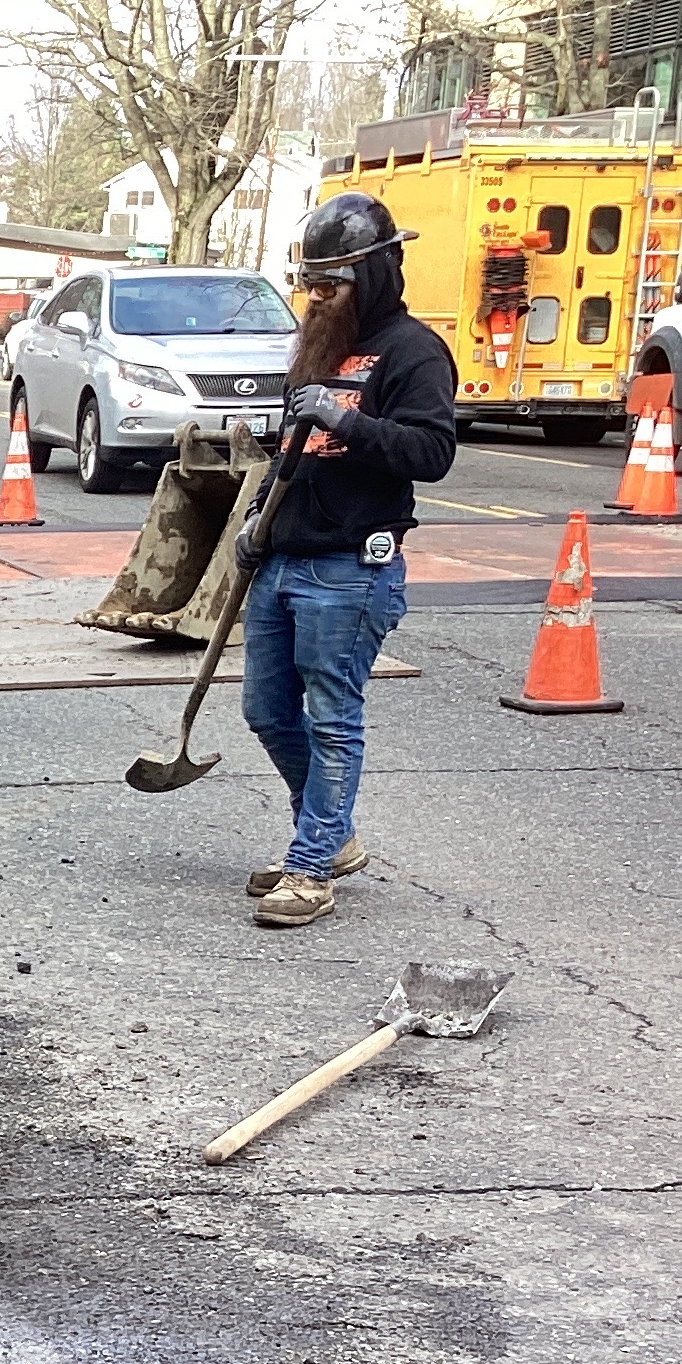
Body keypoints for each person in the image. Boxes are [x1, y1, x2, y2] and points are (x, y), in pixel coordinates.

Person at [237, 191, 457, 929]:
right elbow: (291, 453)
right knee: (267, 711)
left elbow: (431, 452)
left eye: (332, 282)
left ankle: (310, 868)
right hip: (284, 555)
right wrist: (256, 518)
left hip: (351, 568)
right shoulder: (318, 346)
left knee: (332, 718)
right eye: (311, 282)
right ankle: (329, 837)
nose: (318, 295)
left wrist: (344, 418)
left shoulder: (413, 351)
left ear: (376, 272)